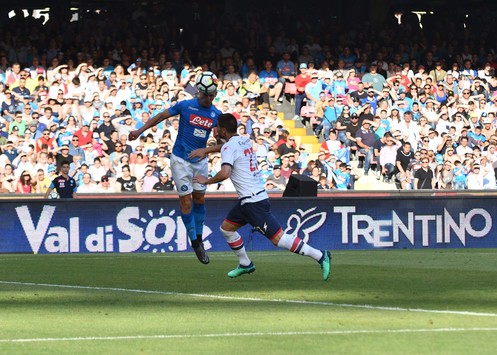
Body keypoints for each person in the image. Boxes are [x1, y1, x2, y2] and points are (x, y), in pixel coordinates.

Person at [192, 113, 331, 280]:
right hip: (248, 200)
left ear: (222, 130)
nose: (214, 130)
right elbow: (225, 147)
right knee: (226, 229)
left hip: (254, 202)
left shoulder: (229, 147)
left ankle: (320, 256)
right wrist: (207, 150)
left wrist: (206, 181)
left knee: (279, 239)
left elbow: (225, 173)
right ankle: (245, 264)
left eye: (216, 128)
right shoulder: (243, 140)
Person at [129, 71, 221, 265]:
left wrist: (207, 150)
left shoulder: (216, 115)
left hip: (201, 162)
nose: (208, 99)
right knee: (186, 201)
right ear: (199, 92)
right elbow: (162, 116)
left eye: (212, 96)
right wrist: (139, 131)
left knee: (200, 198)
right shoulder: (185, 106)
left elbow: (225, 143)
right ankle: (195, 241)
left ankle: (199, 236)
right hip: (180, 160)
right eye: (206, 96)